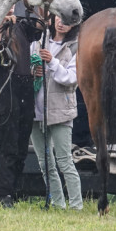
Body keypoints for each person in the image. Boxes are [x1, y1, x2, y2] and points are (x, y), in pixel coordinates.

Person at [0, 8, 43, 209]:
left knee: (21, 146)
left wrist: (37, 10)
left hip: (24, 87)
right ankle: (4, 194)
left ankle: (14, 190)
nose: (10, 11)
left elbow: (41, 27)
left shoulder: (23, 27)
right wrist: (1, 25)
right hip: (4, 89)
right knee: (8, 144)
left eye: (12, 7)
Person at [30, 12, 83, 210]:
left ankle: (76, 205)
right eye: (59, 18)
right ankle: (58, 203)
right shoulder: (38, 41)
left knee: (64, 161)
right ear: (52, 19)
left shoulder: (76, 47)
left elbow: (70, 78)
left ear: (74, 25)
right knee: (45, 163)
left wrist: (52, 62)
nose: (62, 23)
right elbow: (29, 67)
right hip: (36, 111)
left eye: (68, 21)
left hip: (61, 111)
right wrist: (33, 70)